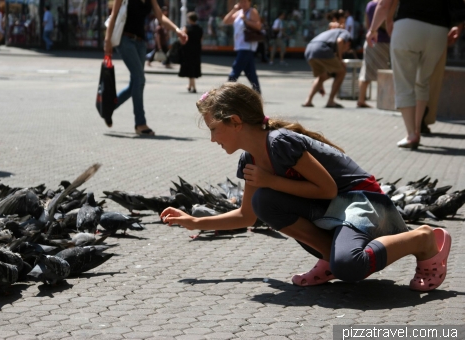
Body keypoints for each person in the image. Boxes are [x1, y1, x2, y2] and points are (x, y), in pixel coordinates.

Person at [160, 82, 451, 292]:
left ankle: (421, 239)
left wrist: (272, 181)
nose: (212, 139)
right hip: (333, 207)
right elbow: (248, 216)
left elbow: (327, 190)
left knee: (350, 268)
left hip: (361, 202)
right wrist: (195, 221)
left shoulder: (280, 142)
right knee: (264, 201)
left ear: (235, 122)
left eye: (213, 129)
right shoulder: (250, 160)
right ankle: (331, 259)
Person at [366, 0, 461, 149]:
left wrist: (373, 29)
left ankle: (411, 134)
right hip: (439, 30)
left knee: (404, 82)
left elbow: (384, 4)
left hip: (407, 26)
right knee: (422, 82)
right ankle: (417, 129)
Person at [104, 0, 187, 135]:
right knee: (139, 79)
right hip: (125, 40)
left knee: (135, 84)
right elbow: (113, 16)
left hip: (141, 44)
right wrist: (107, 42)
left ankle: (108, 107)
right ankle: (140, 123)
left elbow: (161, 17)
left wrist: (177, 30)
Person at [302, 28, 351, 108]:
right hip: (321, 49)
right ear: (348, 43)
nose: (344, 51)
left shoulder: (332, 33)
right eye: (346, 50)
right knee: (342, 72)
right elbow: (340, 41)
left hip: (309, 50)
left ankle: (308, 101)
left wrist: (320, 85)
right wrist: (340, 59)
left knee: (322, 76)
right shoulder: (345, 33)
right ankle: (330, 101)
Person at [222, 0, 262, 94]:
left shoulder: (252, 11)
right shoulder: (239, 12)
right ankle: (257, 93)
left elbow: (258, 26)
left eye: (245, 2)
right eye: (241, 2)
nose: (243, 4)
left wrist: (246, 20)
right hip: (240, 46)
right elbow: (226, 21)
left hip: (247, 46)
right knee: (250, 73)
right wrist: (233, 10)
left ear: (249, 2)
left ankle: (226, 91)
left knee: (235, 69)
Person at [357, 0, 390, 108]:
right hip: (383, 41)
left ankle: (361, 99)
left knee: (366, 72)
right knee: (384, 73)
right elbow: (387, 22)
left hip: (370, 40)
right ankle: (383, 101)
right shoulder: (385, 4)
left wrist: (372, 30)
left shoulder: (370, 4)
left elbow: (367, 24)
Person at [179, 12, 203, 93]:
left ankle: (194, 87)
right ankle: (190, 85)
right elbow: (201, 40)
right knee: (193, 67)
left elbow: (181, 37)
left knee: (190, 68)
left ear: (189, 19)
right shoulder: (200, 28)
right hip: (196, 50)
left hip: (188, 50)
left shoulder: (187, 27)